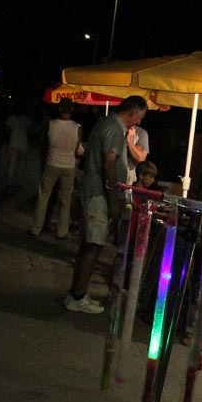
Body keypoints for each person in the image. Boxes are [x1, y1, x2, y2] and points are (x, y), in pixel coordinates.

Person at [64, 95, 148, 315]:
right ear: (132, 112)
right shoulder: (113, 128)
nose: (138, 123)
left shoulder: (106, 124)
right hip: (98, 194)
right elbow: (109, 163)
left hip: (95, 192)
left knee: (89, 245)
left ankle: (77, 292)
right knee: (93, 245)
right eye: (139, 117)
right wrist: (113, 198)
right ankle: (77, 296)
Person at [29, 100, 84, 239]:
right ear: (71, 109)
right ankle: (62, 231)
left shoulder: (50, 124)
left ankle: (36, 228)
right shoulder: (78, 128)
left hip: (52, 163)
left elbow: (44, 145)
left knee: (43, 196)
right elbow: (77, 150)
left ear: (59, 108)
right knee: (65, 200)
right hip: (69, 166)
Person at [3, 97, 31, 191]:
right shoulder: (26, 119)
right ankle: (18, 180)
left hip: (13, 142)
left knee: (12, 163)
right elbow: (29, 130)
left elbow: (7, 129)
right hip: (23, 142)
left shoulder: (12, 118)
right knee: (21, 163)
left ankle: (9, 182)